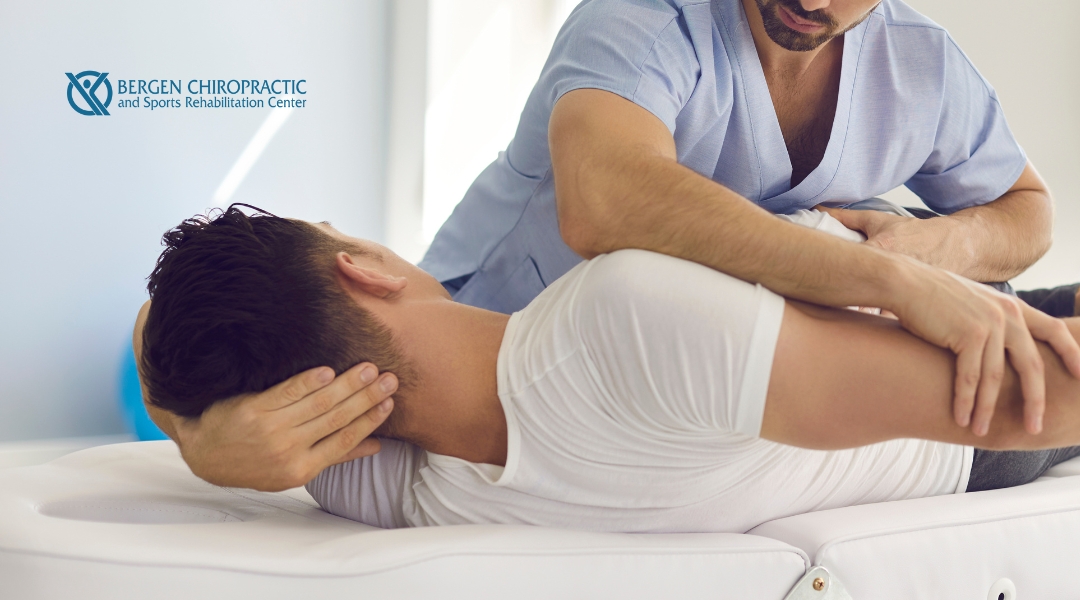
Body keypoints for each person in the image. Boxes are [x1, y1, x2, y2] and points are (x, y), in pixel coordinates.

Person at [144, 0, 1080, 487]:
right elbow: (607, 203)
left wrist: (931, 260)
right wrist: (197, 439)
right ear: (363, 271)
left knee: (1039, 345)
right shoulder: (644, 22)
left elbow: (1025, 211)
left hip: (801, 350)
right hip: (570, 379)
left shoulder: (920, 64)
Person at [136, 208, 1080, 532]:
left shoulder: (379, 481)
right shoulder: (618, 323)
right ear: (365, 269)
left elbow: (159, 340)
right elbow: (1032, 402)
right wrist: (909, 278)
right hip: (939, 391)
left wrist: (210, 452)